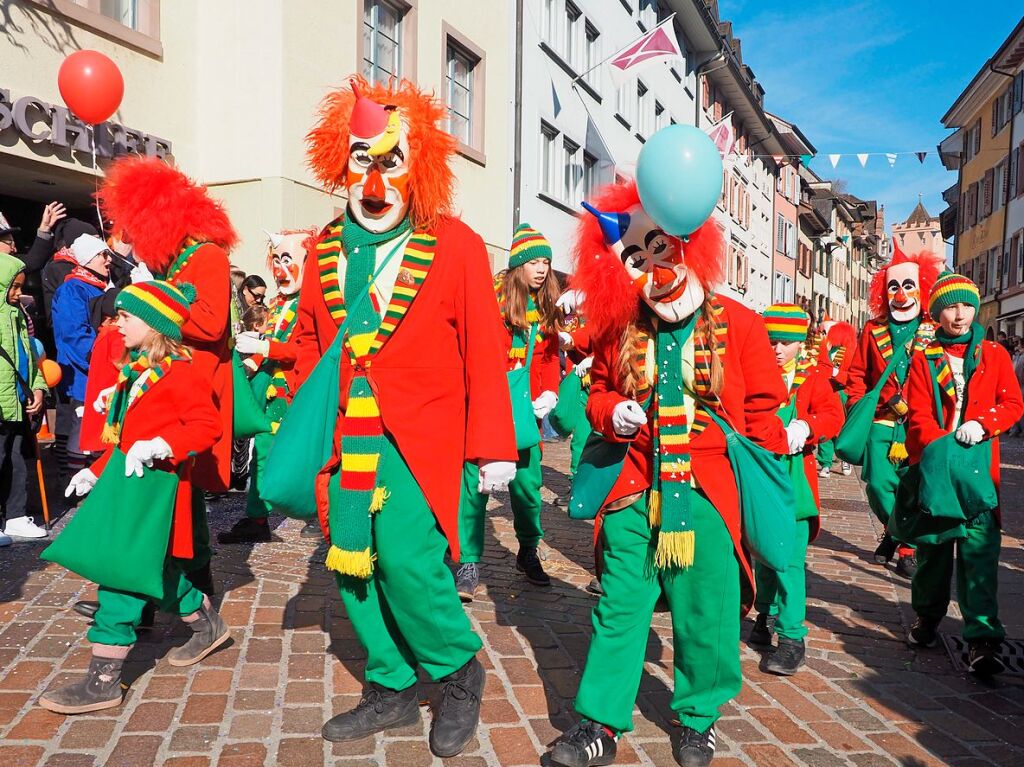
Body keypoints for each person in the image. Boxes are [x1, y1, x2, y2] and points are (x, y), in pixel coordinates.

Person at [283, 77, 517, 757]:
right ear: (342, 160)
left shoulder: (456, 244)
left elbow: (483, 348)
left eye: (392, 160)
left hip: (422, 439)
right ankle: (389, 681)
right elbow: (308, 345)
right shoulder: (325, 247)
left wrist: (493, 446)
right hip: (345, 438)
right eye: (363, 159)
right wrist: (300, 425)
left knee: (410, 560)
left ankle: (457, 666)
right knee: (351, 562)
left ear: (419, 165)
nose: (376, 177)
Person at [548, 182, 787, 767]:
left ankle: (697, 717)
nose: (653, 266)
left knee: (705, 608)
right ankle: (599, 721)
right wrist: (612, 413)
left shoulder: (740, 323)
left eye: (660, 247)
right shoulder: (616, 328)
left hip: (708, 492)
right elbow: (597, 393)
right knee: (620, 607)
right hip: (633, 488)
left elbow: (763, 414)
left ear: (686, 240)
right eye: (636, 257)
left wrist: (774, 478)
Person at [38, 280, 227, 714]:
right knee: (151, 570)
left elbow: (206, 426)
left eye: (125, 316)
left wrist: (165, 444)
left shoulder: (180, 372)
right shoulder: (139, 369)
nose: (116, 324)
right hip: (129, 487)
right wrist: (95, 471)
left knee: (121, 575)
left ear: (155, 323)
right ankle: (206, 623)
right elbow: (126, 439)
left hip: (154, 494)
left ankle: (103, 681)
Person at [97, 156, 238, 597]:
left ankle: (189, 594)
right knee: (168, 492)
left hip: (190, 389)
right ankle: (159, 592)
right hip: (165, 385)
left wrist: (157, 303)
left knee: (180, 491)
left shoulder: (207, 256)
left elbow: (212, 324)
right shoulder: (173, 264)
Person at [898, 273, 1023, 675]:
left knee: (979, 554)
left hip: (979, 474)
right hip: (937, 465)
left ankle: (984, 639)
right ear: (937, 314)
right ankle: (927, 617)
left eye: (967, 305)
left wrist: (984, 425)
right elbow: (916, 414)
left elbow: (1013, 403)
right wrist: (942, 449)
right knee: (934, 552)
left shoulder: (995, 355)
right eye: (952, 306)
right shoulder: (925, 358)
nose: (960, 314)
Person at [456, 224, 561, 600]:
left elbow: (549, 358)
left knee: (527, 488)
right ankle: (468, 561)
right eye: (534, 261)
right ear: (518, 265)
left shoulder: (545, 308)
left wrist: (550, 390)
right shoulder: (490, 302)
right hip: (486, 407)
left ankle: (528, 550)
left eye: (546, 261)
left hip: (524, 413)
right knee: (475, 486)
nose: (542, 268)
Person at [749, 304, 843, 675]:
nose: (776, 348)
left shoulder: (813, 380)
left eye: (785, 342)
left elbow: (833, 416)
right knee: (763, 556)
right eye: (770, 340)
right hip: (761, 479)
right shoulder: (752, 375)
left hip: (796, 483)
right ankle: (766, 614)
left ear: (801, 344)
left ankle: (792, 638)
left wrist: (806, 427)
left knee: (788, 561)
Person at [845, 245, 944, 579]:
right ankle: (897, 531)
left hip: (918, 422)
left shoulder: (933, 330)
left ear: (921, 287)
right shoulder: (873, 329)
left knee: (911, 487)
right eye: (894, 286)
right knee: (876, 484)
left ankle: (905, 549)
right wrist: (859, 403)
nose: (901, 293)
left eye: (908, 285)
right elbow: (857, 374)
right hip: (882, 421)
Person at [219, 229, 315, 543]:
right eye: (276, 260)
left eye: (288, 259)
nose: (279, 269)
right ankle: (257, 519)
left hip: (294, 393)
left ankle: (315, 509)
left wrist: (267, 348)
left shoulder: (311, 305)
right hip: (268, 392)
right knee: (261, 453)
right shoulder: (276, 304)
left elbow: (309, 350)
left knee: (300, 454)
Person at [51, 234, 111, 482]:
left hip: (102, 366)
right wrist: (100, 360)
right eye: (102, 255)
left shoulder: (101, 285)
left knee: (98, 424)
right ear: (88, 259)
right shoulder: (73, 289)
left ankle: (95, 478)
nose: (108, 260)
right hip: (83, 370)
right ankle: (75, 483)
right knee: (83, 423)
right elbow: (74, 334)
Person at [0, 252, 48, 542]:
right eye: (13, 287)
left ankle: (16, 516)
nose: (19, 293)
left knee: (16, 459)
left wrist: (38, 387)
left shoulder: (18, 315)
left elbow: (31, 356)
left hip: (17, 400)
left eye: (21, 287)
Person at [815, 320, 857, 478]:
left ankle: (845, 458)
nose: (824, 336)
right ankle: (825, 463)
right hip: (825, 393)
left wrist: (835, 373)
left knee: (841, 430)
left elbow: (853, 377)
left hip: (842, 394)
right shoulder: (824, 349)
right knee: (824, 430)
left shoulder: (850, 352)